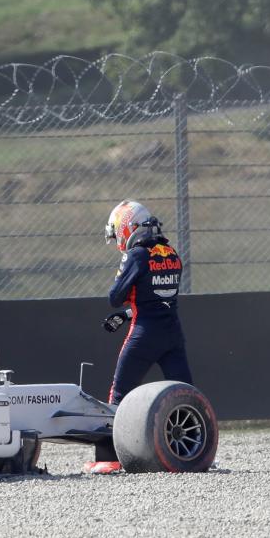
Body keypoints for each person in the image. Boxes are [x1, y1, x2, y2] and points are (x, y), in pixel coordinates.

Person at [86, 200, 194, 474]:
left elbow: (115, 297)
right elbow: (157, 300)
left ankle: (108, 458)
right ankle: (195, 453)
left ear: (128, 227)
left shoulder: (136, 255)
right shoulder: (171, 252)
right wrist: (125, 314)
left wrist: (122, 308)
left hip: (143, 336)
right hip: (173, 335)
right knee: (186, 395)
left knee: (118, 395)